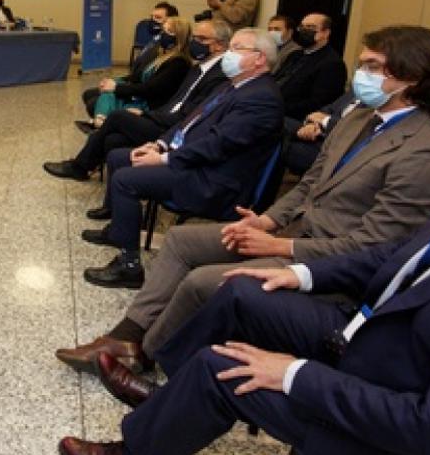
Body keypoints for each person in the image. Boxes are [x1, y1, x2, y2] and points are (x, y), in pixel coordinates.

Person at [59, 73, 430, 455]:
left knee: (223, 367)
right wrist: (300, 274)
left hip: (407, 440)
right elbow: (397, 257)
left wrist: (296, 374)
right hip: (375, 341)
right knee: (240, 289)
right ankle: (165, 402)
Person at [55, 25, 430, 372]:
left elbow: (372, 246)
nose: (360, 74)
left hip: (329, 263)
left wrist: (278, 244)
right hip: (293, 231)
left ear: (411, 77)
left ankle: (145, 352)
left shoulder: (423, 150)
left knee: (202, 281)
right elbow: (309, 182)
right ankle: (126, 335)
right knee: (180, 241)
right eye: (362, 64)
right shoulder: (359, 118)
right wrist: (267, 221)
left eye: (372, 67)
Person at [76, 29, 285, 288]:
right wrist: (160, 144)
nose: (228, 55)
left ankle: (129, 267)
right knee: (120, 156)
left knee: (125, 179)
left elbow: (217, 144)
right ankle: (118, 229)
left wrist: (165, 159)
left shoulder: (262, 98)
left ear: (259, 59)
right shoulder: (232, 84)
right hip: (196, 162)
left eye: (237, 48)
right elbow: (190, 121)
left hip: (214, 180)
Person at [46, 19, 229, 182]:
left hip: (172, 130)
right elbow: (173, 102)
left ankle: (80, 166)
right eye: (194, 38)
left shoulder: (214, 75)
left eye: (202, 39)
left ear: (220, 46)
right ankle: (110, 184)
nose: (195, 43)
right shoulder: (198, 68)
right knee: (112, 139)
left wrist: (147, 114)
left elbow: (188, 115)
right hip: (162, 118)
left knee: (117, 117)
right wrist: (146, 114)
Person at [86, 15, 192, 125]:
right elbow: (139, 76)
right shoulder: (162, 53)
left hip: (148, 104)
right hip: (141, 95)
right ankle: (101, 121)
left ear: (179, 38)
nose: (163, 34)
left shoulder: (178, 63)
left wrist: (116, 87)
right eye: (163, 30)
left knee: (106, 95)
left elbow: (151, 89)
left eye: (169, 31)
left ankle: (101, 121)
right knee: (105, 92)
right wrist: (114, 81)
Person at [272, 13, 347, 120]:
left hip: (295, 118)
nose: (304, 30)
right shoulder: (295, 55)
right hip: (274, 106)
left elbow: (318, 103)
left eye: (311, 27)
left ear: (325, 33)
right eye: (302, 27)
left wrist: (278, 107)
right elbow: (277, 79)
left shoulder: (332, 64)